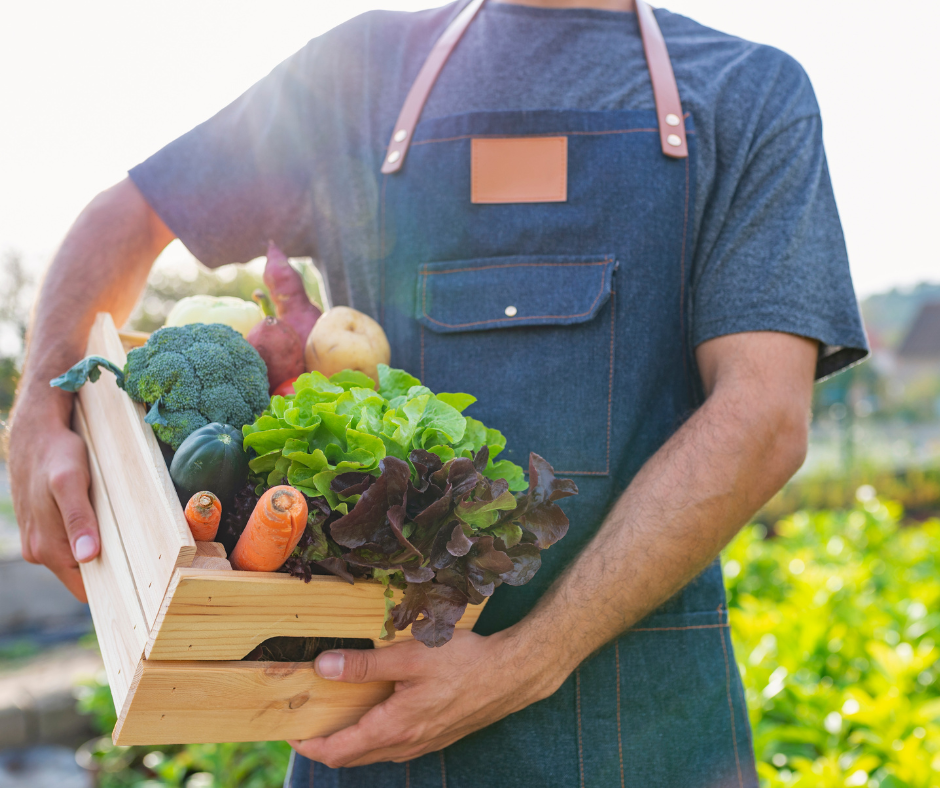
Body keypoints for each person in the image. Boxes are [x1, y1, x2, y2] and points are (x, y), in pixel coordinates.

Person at [9, 0, 868, 785]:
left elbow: (762, 416)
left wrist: (527, 661)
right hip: (368, 727)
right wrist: (41, 411)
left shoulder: (748, 94)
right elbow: (126, 217)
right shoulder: (357, 73)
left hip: (648, 733)